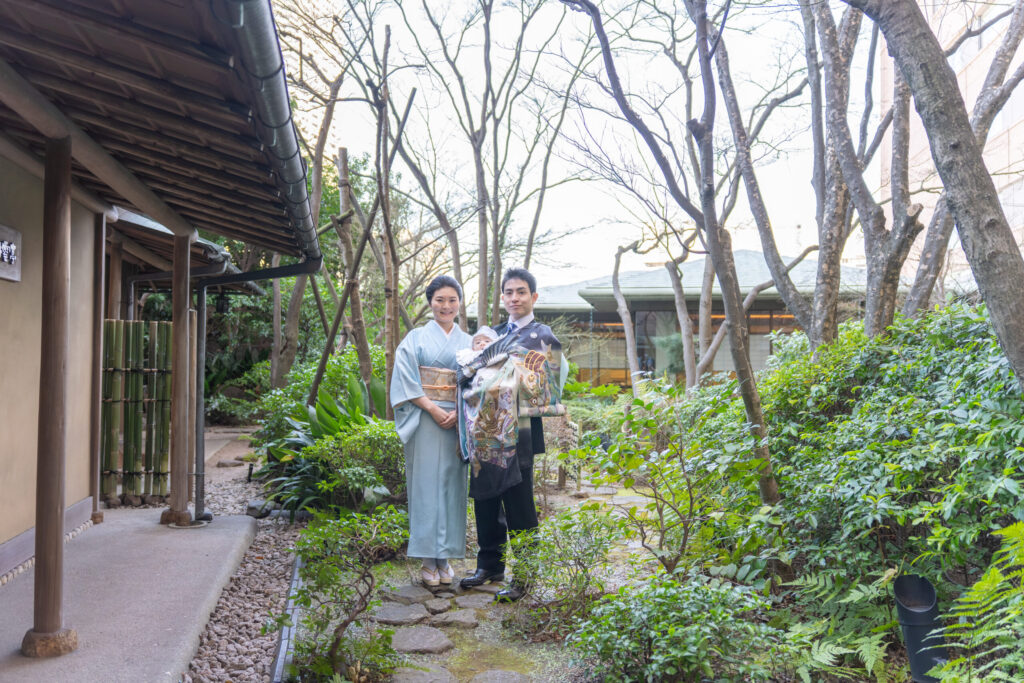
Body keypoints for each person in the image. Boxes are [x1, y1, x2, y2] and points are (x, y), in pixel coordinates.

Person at [460, 267, 568, 601]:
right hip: (484, 432)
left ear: (533, 297)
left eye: (521, 292)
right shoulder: (490, 334)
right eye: (508, 292)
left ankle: (526, 575)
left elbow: (551, 387)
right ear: (503, 297)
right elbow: (469, 373)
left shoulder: (543, 336)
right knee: (486, 498)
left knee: (519, 504)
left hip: (519, 430)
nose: (514, 298)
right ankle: (490, 564)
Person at [390, 275, 472, 587]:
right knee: (425, 486)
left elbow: (478, 382)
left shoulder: (468, 342)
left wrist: (458, 409)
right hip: (426, 419)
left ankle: (445, 557)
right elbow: (406, 378)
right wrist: (434, 408)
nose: (446, 306)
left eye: (452, 300)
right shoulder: (415, 339)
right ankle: (427, 558)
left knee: (452, 486)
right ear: (430, 302)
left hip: (457, 421)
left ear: (459, 304)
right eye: (440, 300)